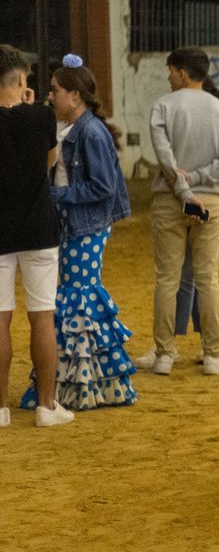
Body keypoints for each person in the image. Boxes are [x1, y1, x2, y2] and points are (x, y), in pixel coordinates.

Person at [15, 54, 136, 414]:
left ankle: (84, 384)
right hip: (76, 225)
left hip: (86, 226)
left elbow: (103, 186)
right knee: (76, 301)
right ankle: (81, 384)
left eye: (54, 91)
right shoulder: (76, 129)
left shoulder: (91, 132)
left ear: (75, 95)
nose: (49, 97)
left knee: (78, 300)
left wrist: (56, 196)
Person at [140, 46, 219, 376]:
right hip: (211, 198)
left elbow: (164, 157)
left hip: (170, 199)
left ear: (182, 73)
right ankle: (212, 353)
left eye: (171, 71)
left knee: (167, 278)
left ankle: (164, 353)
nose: (169, 77)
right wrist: (201, 179)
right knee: (208, 278)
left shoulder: (163, 107)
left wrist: (184, 187)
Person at [0, 44, 74, 427]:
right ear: (23, 80)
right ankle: (47, 406)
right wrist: (30, 109)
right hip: (39, 229)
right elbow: (48, 164)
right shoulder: (43, 117)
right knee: (42, 317)